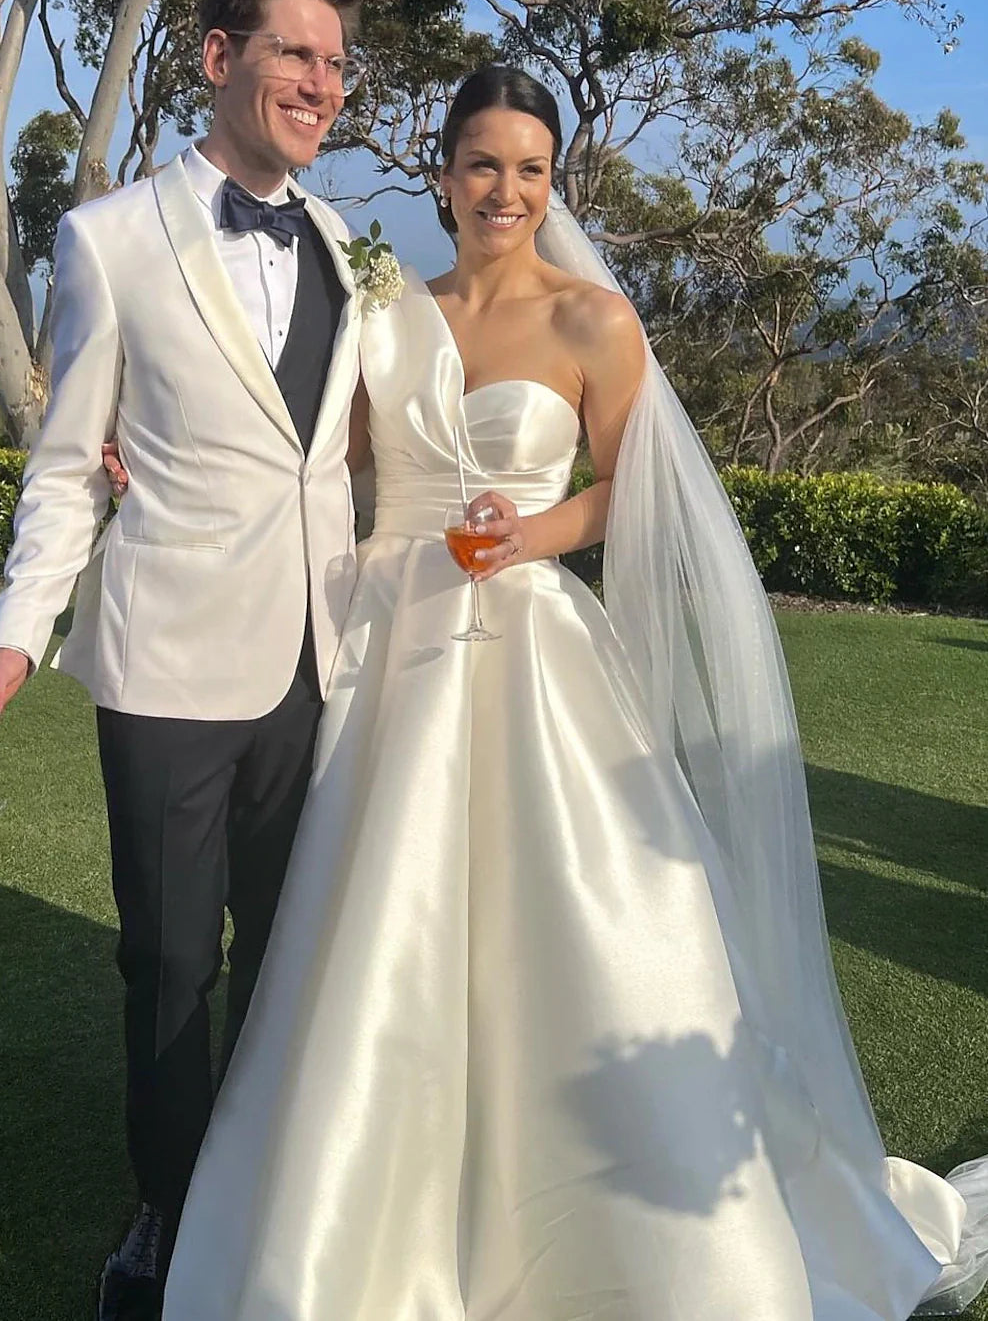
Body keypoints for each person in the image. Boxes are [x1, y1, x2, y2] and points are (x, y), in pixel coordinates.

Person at [152, 66, 988, 1320]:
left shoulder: (594, 321)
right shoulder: (387, 311)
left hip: (529, 650)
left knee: (571, 920)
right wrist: (159, 451)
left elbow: (628, 489)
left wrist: (529, 536)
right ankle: (367, 1222)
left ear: (555, 183)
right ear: (442, 173)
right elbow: (324, 462)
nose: (507, 190)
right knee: (378, 927)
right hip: (389, 650)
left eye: (532, 169)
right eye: (484, 164)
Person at [0, 0, 367, 1321]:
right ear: (219, 59)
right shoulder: (108, 239)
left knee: (291, 948)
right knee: (171, 965)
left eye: (337, 64)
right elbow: (66, 468)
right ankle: (168, 1217)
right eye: (295, 54)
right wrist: (15, 636)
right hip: (168, 665)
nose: (322, 84)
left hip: (321, 661)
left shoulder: (350, 245)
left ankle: (277, 1196)